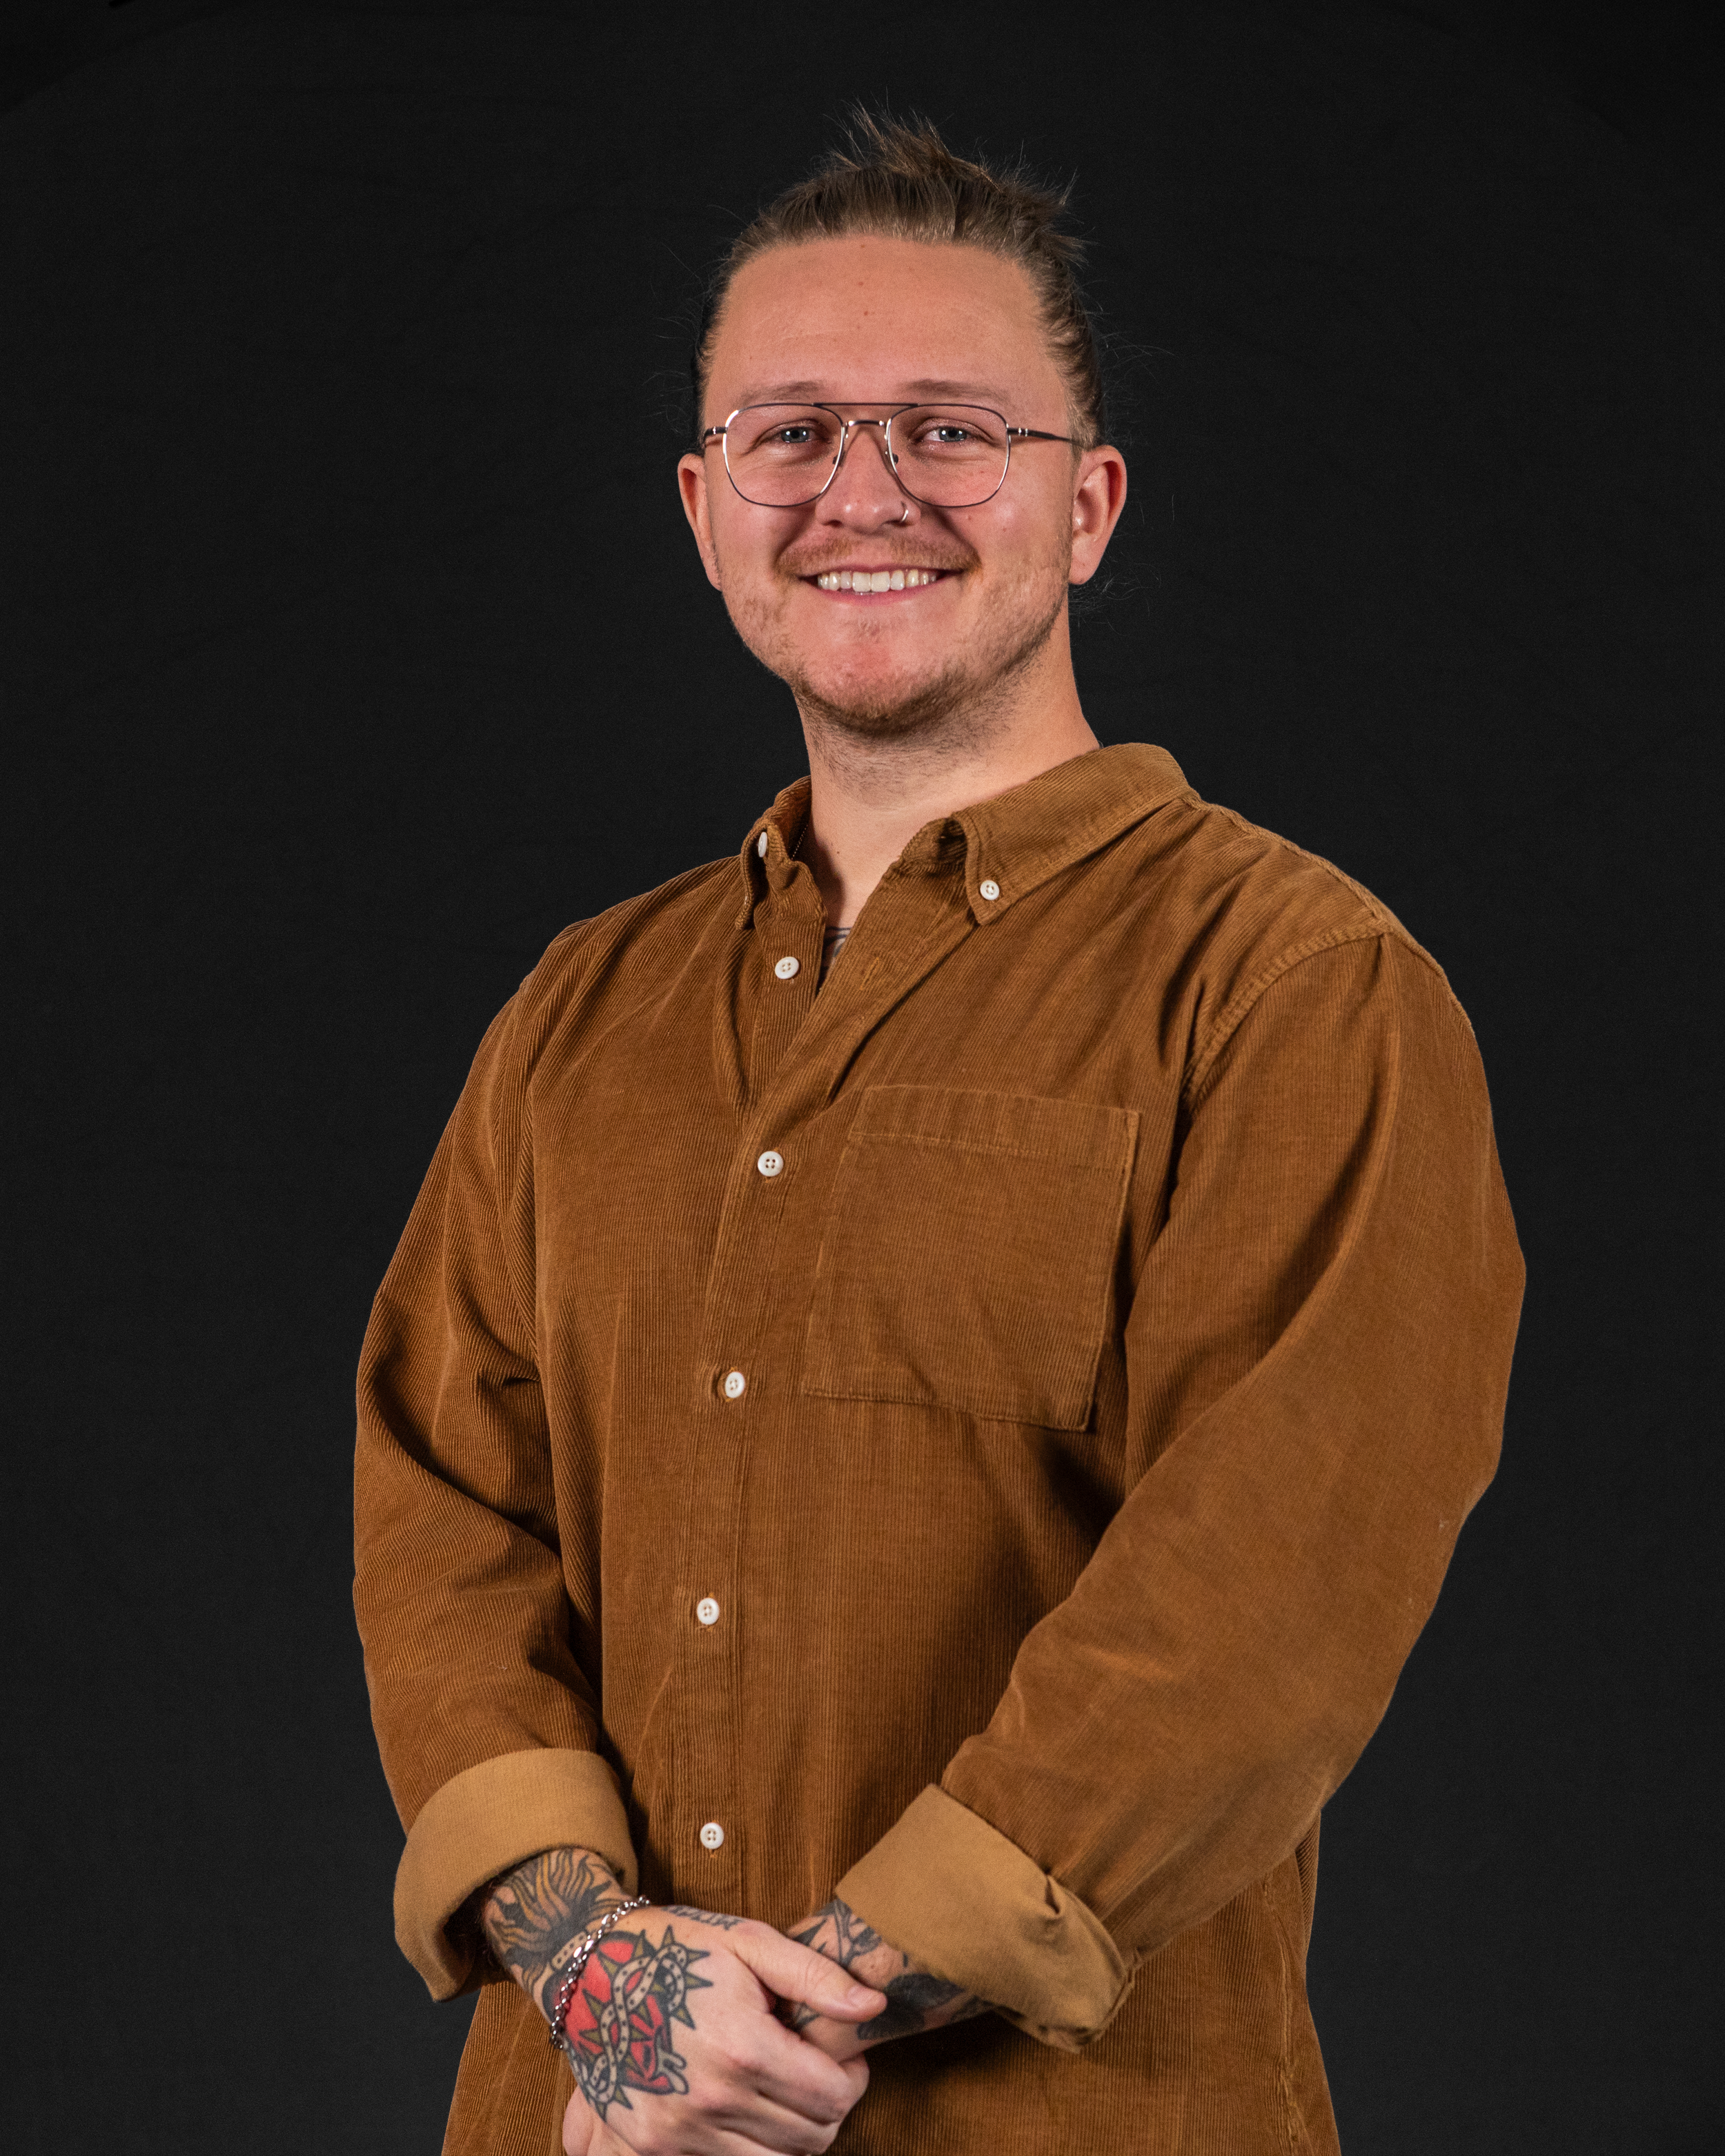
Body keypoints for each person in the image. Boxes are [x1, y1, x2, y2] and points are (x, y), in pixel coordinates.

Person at [353, 112, 1524, 2156]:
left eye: (948, 430)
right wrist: (605, 1970)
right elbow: (443, 1513)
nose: (862, 493)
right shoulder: (574, 1014)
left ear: (1087, 504)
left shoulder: (1294, 985)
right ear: (708, 509)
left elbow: (1265, 1588)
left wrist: (790, 2016)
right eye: (791, 433)